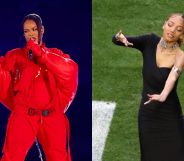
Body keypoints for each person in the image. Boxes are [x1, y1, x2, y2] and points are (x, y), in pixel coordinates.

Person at [0, 13, 78, 161]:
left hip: (51, 115)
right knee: (11, 157)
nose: (30, 34)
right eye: (26, 31)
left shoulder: (55, 54)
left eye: (34, 29)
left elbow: (70, 70)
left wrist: (42, 55)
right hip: (23, 115)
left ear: (42, 30)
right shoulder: (15, 56)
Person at [112, 13, 184, 161]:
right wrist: (119, 37)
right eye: (170, 24)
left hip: (170, 116)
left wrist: (163, 94)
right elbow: (117, 39)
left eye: (179, 29)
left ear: (182, 35)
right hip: (148, 116)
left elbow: (173, 76)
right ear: (164, 24)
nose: (172, 30)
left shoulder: (180, 56)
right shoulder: (149, 41)